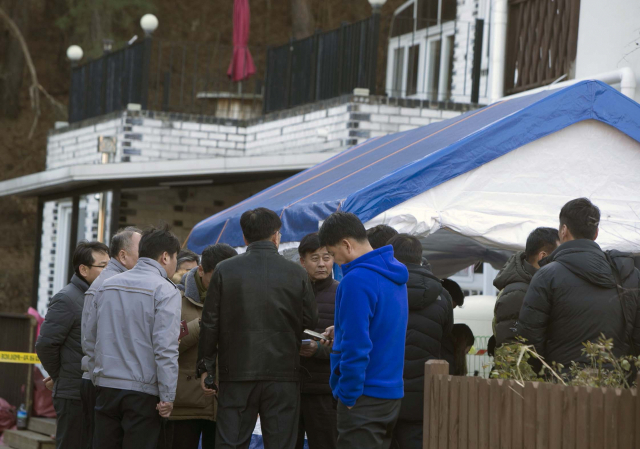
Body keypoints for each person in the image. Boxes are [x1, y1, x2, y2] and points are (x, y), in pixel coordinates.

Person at [197, 208, 318, 449]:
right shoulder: (297, 273)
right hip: (283, 372)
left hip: (237, 371)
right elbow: (310, 321)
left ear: (245, 238)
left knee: (231, 442)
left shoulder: (224, 270)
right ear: (276, 236)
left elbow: (209, 323)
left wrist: (206, 367)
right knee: (281, 442)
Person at [318, 212, 408, 449]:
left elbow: (357, 346)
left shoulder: (356, 279)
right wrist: (341, 330)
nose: (336, 262)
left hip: (363, 395)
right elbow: (383, 329)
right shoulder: (395, 274)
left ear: (347, 245)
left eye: (333, 254)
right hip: (390, 392)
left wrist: (347, 394)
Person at [87, 225, 182, 449]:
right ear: (165, 256)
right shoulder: (165, 290)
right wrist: (167, 396)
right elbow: (166, 348)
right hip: (143, 392)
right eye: (176, 257)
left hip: (106, 386)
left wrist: (96, 376)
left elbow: (90, 338)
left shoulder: (107, 285)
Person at [518, 198, 640, 369]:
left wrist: (545, 377)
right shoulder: (629, 275)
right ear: (596, 233)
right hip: (617, 388)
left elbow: (529, 341)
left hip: (561, 388)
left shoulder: (546, 276)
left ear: (563, 230)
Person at [36, 241, 110, 449]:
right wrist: (61, 375)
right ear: (84, 269)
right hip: (72, 394)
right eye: (103, 266)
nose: (109, 271)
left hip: (93, 390)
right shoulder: (67, 298)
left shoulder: (99, 295)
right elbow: (45, 344)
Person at [163, 243, 237, 449]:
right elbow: (167, 345)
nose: (223, 285)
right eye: (216, 278)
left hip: (224, 402)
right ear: (201, 270)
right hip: (186, 404)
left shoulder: (239, 300)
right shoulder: (175, 298)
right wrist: (204, 324)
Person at [387, 234, 453, 449]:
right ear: (419, 257)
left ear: (393, 257)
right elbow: (446, 344)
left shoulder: (382, 289)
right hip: (425, 395)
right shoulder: (443, 296)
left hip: (384, 392)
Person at [81, 227, 141, 449]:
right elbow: (90, 340)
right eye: (140, 250)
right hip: (102, 382)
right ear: (123, 255)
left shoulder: (119, 280)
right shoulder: (110, 284)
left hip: (106, 380)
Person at [296, 233, 339, 449]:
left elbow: (351, 344)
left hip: (325, 391)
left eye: (327, 257)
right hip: (291, 390)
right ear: (302, 261)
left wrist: (318, 351)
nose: (322, 264)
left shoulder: (342, 293)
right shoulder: (290, 292)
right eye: (315, 258)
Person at [492, 227, 559, 348]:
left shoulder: (534, 287)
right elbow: (512, 351)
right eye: (558, 257)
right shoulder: (518, 293)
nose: (561, 263)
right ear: (543, 257)